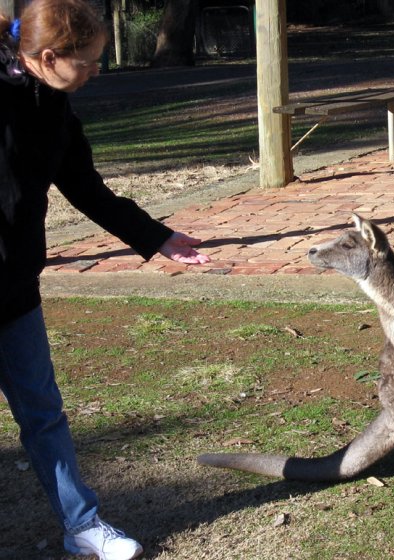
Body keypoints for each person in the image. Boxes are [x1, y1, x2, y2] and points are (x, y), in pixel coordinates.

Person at [0, 0, 210, 558]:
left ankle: (83, 527)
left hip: (14, 291)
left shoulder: (56, 107)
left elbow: (85, 187)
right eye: (89, 62)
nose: (97, 72)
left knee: (43, 414)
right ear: (48, 57)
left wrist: (155, 236)